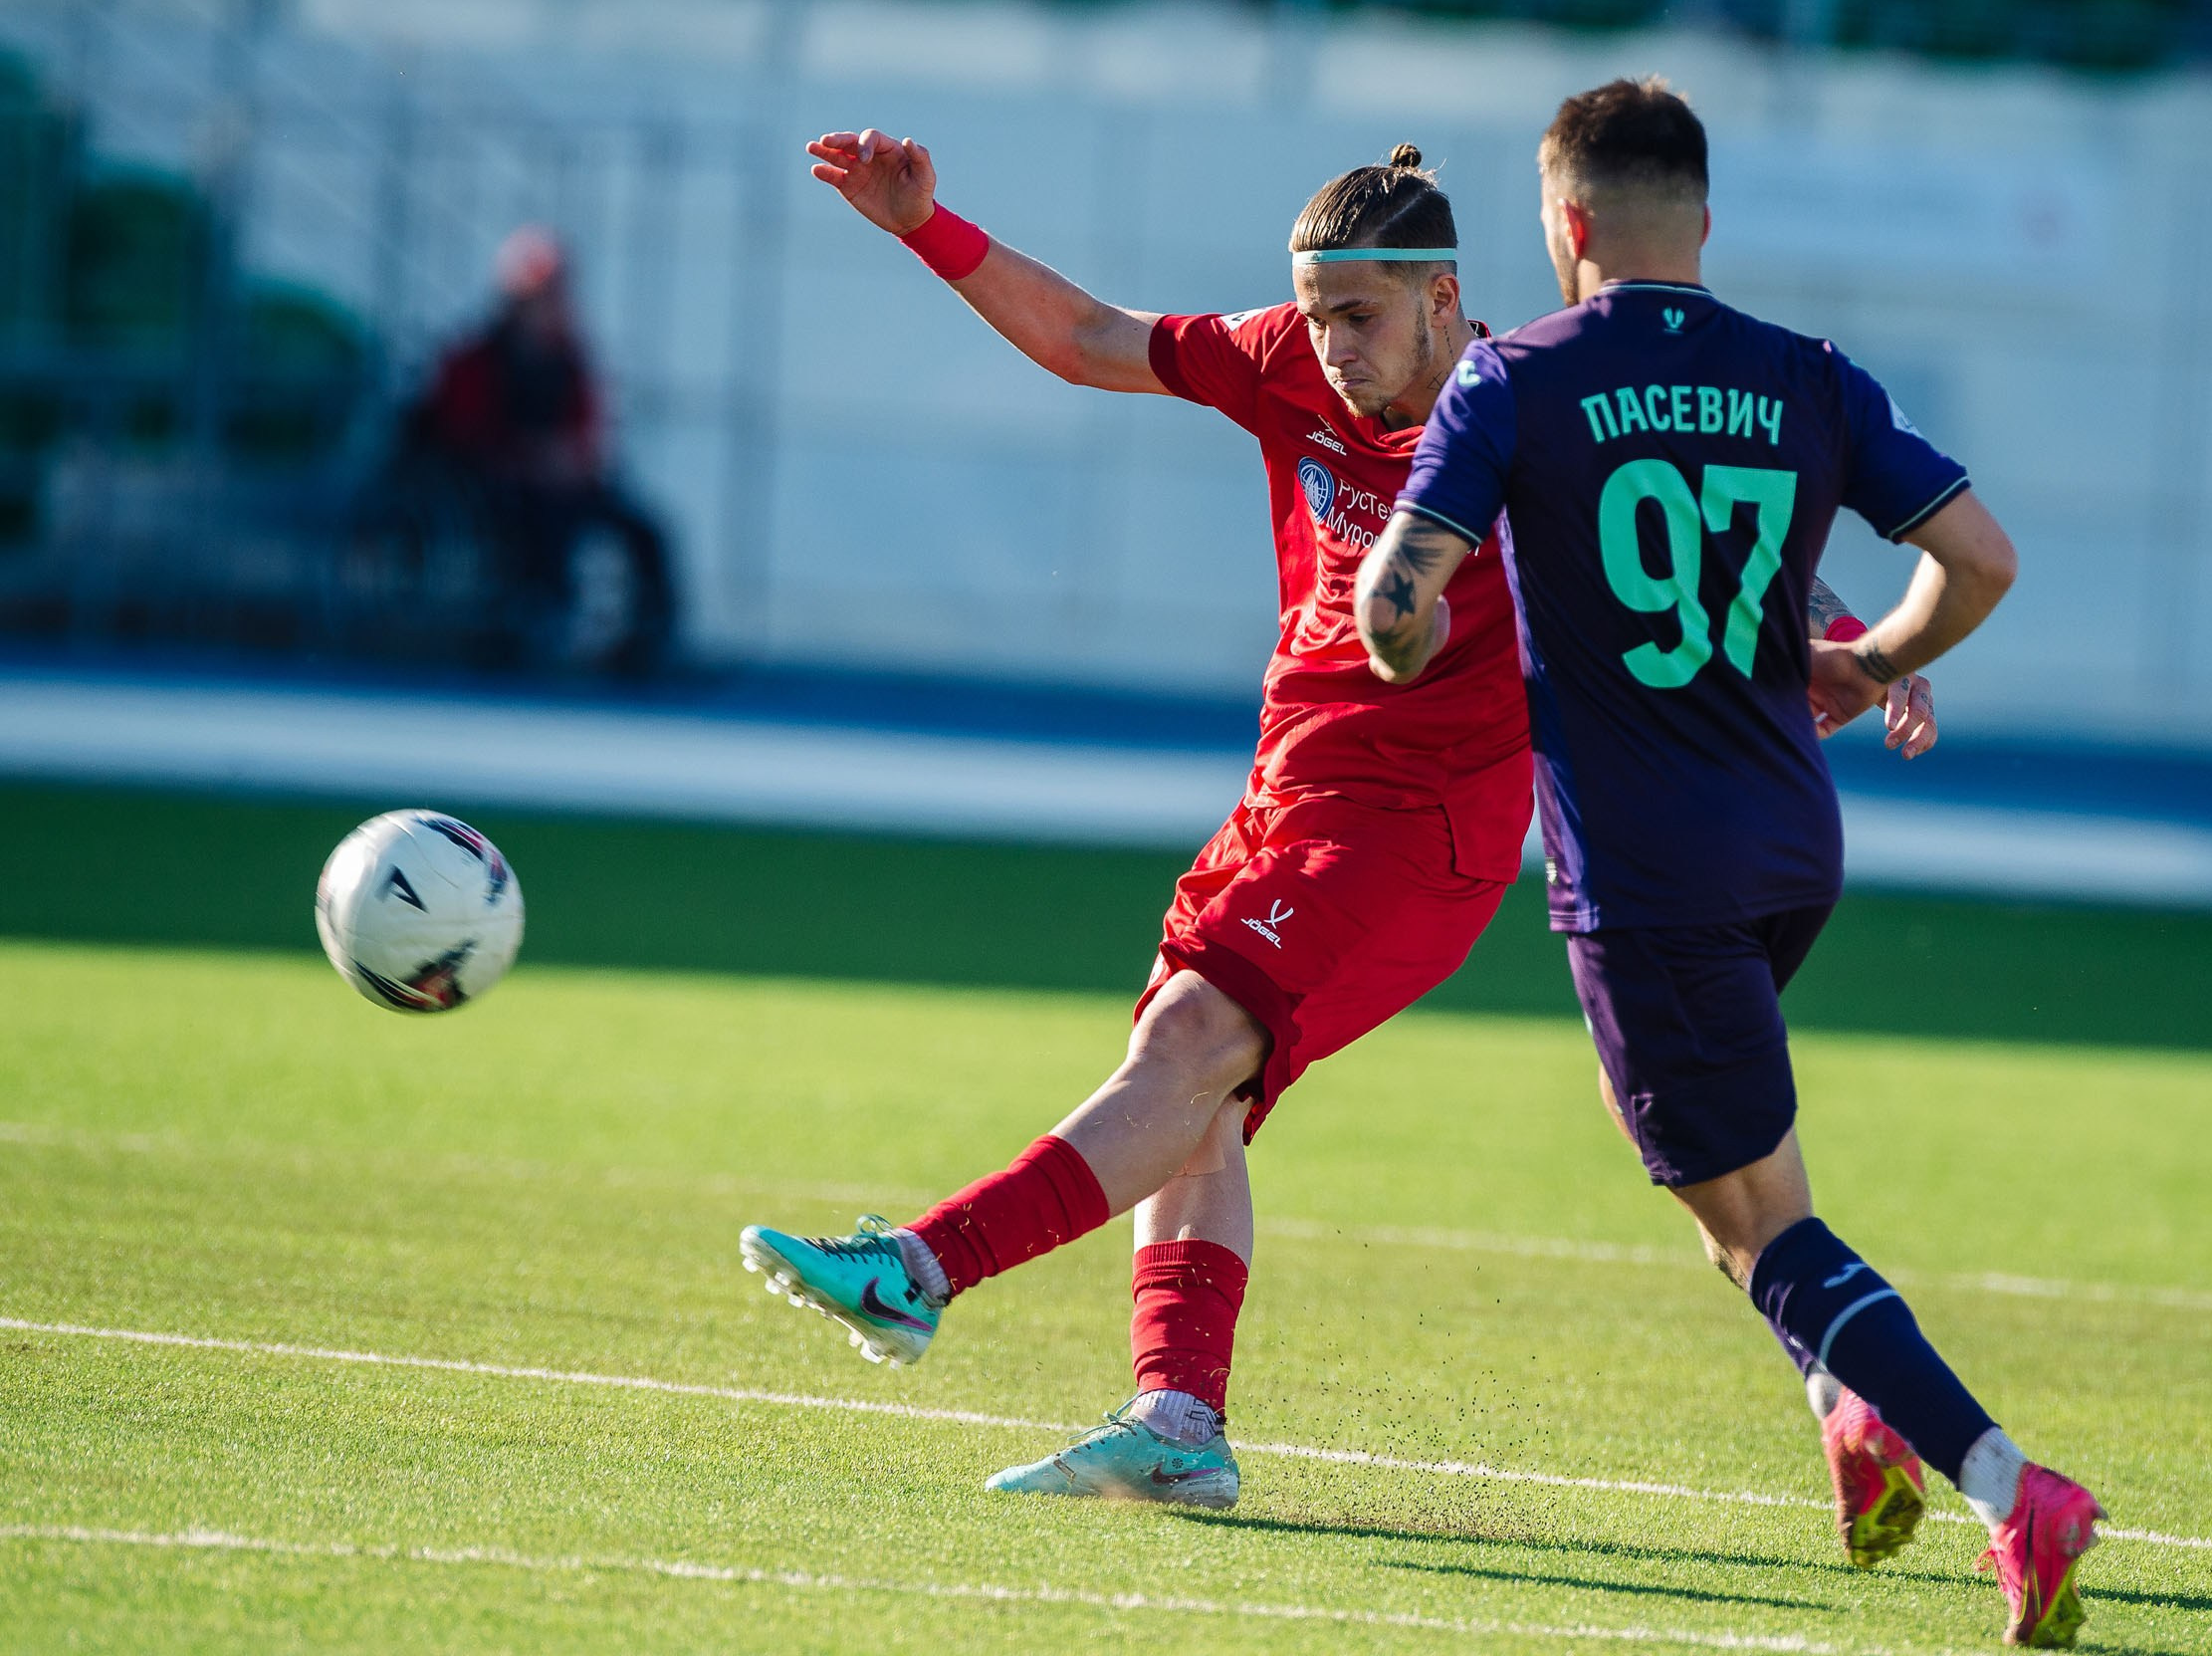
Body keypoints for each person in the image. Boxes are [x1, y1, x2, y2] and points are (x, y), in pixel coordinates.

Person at [739, 129, 1929, 1513]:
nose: (1330, 346)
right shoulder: (1287, 360)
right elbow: (1082, 335)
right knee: (1197, 1096)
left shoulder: (1531, 404)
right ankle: (1179, 1418)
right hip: (1283, 797)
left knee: (1191, 1043)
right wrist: (922, 228)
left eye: (1357, 316)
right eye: (1315, 315)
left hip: (1423, 833)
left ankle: (919, 1269)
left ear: (1442, 300)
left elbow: (1701, 532)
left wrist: (1856, 639)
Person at [1355, 80, 2101, 1648]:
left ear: (1564, 226)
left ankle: (2004, 1483)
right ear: (1701, 220)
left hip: (1644, 868)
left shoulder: (1512, 378)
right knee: (1737, 1208)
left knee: (1759, 1225)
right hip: (1787, 846)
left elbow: (1397, 607)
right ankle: (1850, 1419)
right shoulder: (1803, 376)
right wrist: (1871, 654)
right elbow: (1981, 563)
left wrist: (1400, 627)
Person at [401, 226, 675, 675]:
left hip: (561, 480)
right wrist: (528, 457)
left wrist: (568, 461)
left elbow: (587, 433)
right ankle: (539, 618)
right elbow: (464, 434)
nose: (555, 306)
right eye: (544, 296)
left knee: (645, 529)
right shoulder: (475, 359)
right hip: (494, 482)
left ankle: (647, 635)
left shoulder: (570, 361)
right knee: (543, 522)